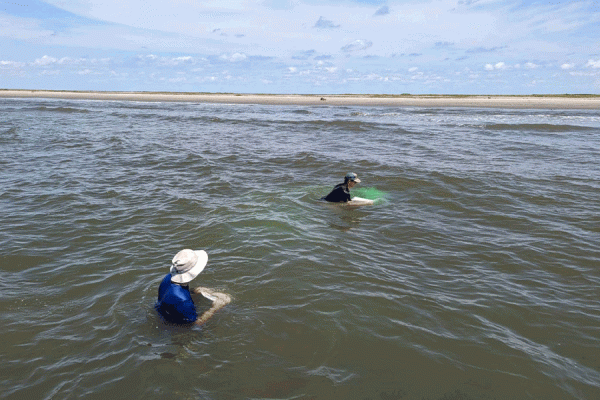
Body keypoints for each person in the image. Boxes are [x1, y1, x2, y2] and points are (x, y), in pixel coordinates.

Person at [155, 249, 231, 326]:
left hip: (162, 309)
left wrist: (193, 291)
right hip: (172, 323)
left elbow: (172, 293)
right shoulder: (184, 301)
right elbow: (196, 323)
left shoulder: (168, 277)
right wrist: (214, 308)